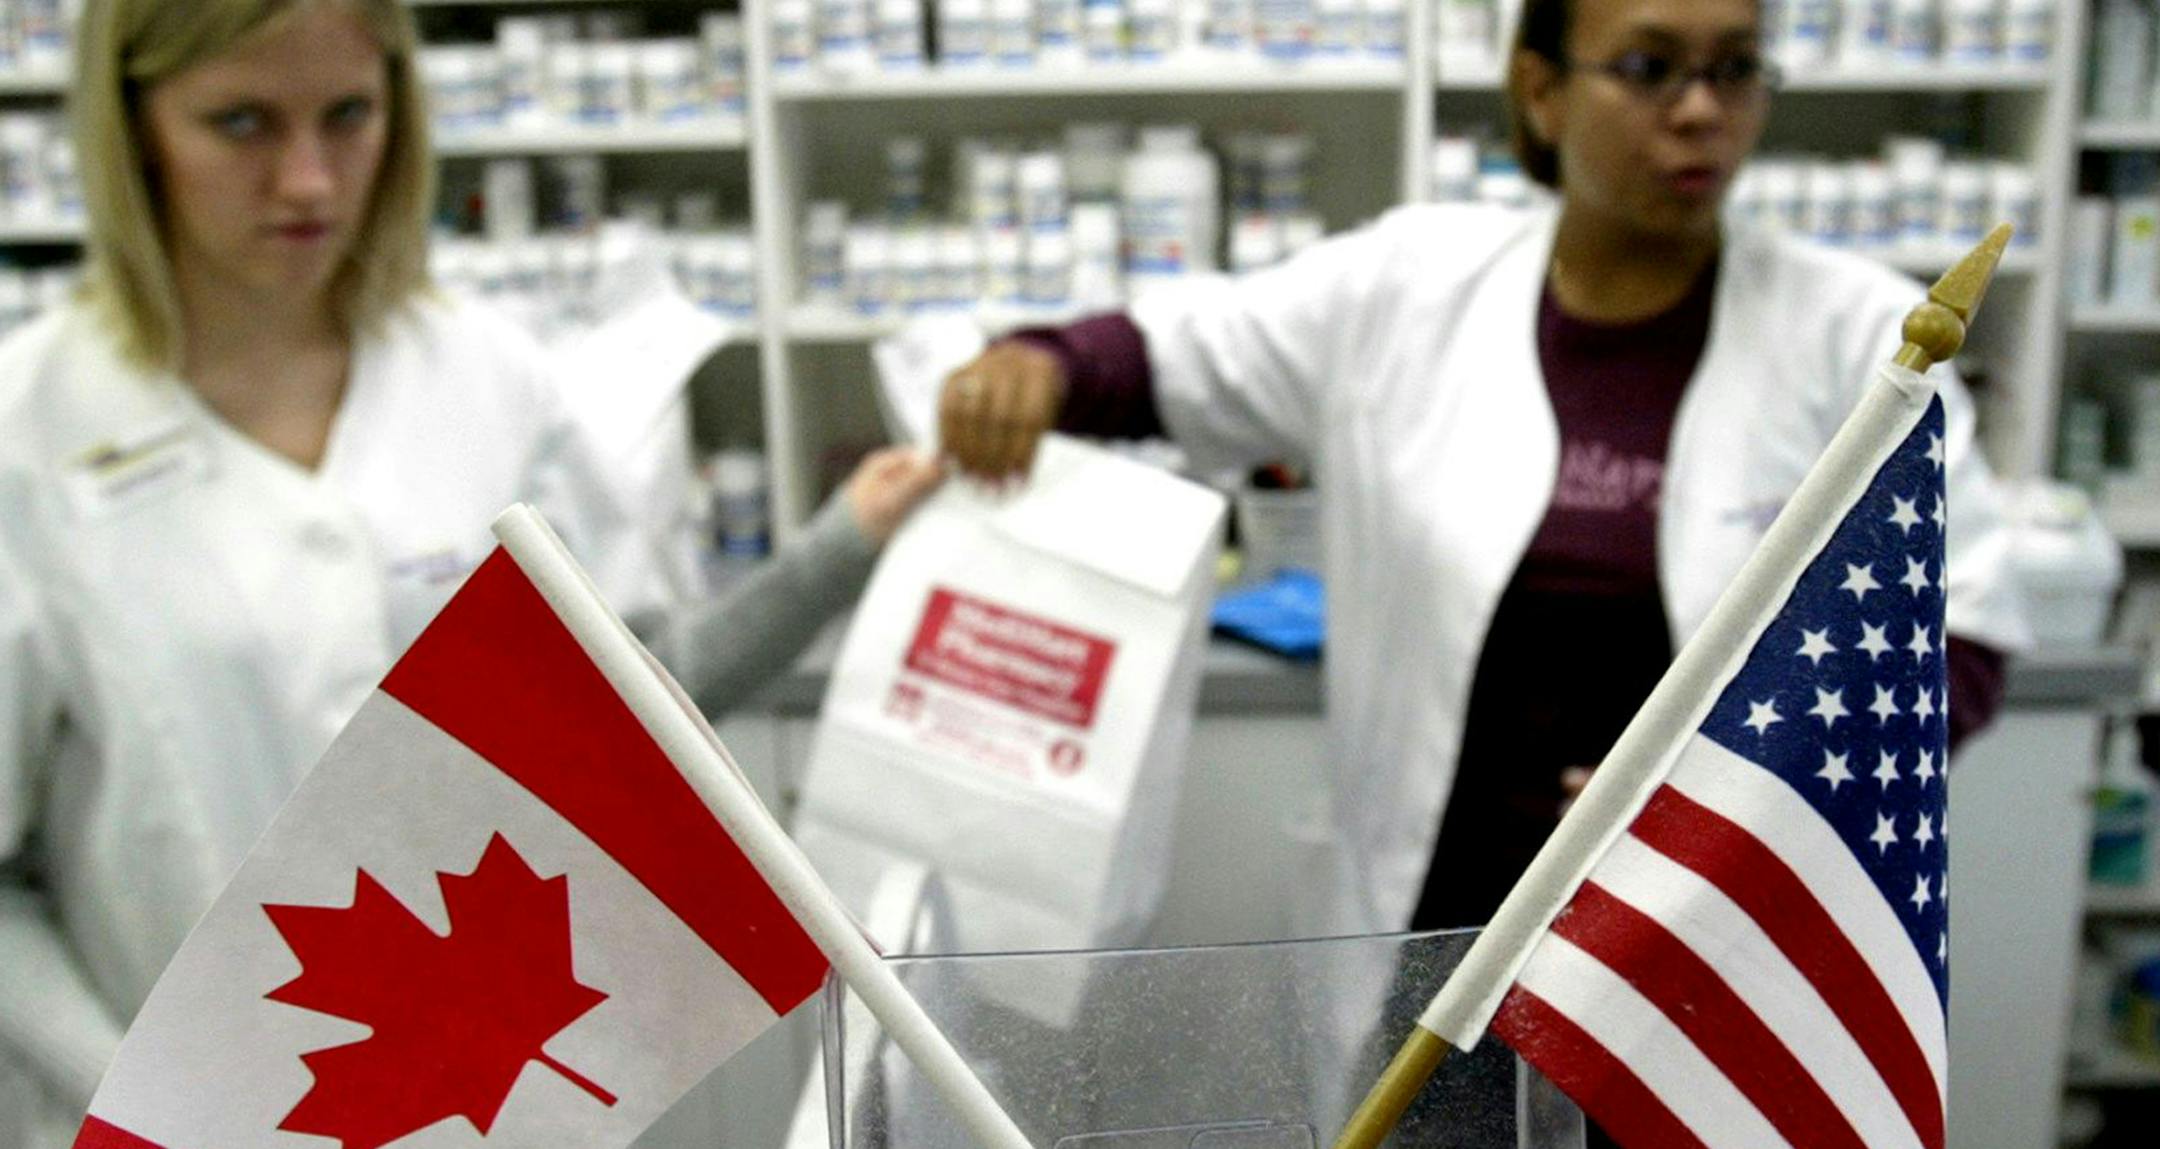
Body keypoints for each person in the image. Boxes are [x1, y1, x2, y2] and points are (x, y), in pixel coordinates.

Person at [0, 3, 937, 1143]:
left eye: (350, 114)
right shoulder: (29, 428)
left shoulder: (484, 375)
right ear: (130, 125)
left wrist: (842, 546)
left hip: (499, 1107)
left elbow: (641, 708)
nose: (308, 180)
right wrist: (150, 1109)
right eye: (240, 122)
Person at [938, 0, 2028, 941]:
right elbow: (1181, 355)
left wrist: (1747, 782)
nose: (1701, 110)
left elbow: (1963, 620)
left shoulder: (1853, 338)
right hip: (1430, 926)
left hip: (1701, 940)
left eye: (1734, 67)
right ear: (1542, 91)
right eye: (1651, 68)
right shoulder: (1410, 286)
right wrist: (1043, 365)